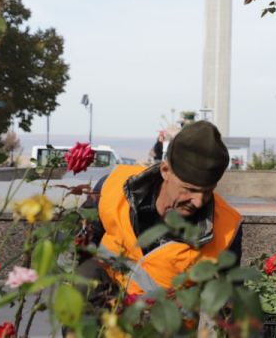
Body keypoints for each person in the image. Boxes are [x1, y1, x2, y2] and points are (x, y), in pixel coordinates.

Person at [75, 120, 241, 305]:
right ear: (165, 170)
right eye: (190, 189)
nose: (199, 201)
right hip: (101, 321)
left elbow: (225, 304)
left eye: (207, 191)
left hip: (166, 326)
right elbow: (72, 249)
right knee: (84, 274)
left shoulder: (227, 228)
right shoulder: (112, 187)